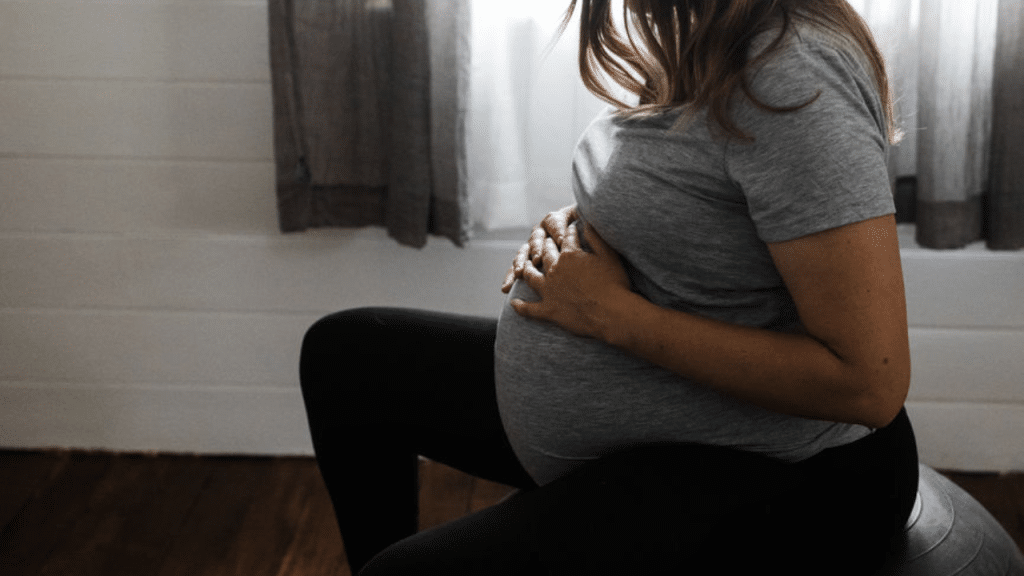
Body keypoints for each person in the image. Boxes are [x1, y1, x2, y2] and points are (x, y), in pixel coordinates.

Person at [298, 1, 920, 574]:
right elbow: (704, 198)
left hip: (795, 475)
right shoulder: (701, 32)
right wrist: (586, 225)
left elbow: (870, 383)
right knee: (346, 357)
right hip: (663, 423)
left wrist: (613, 315)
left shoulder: (794, 75)